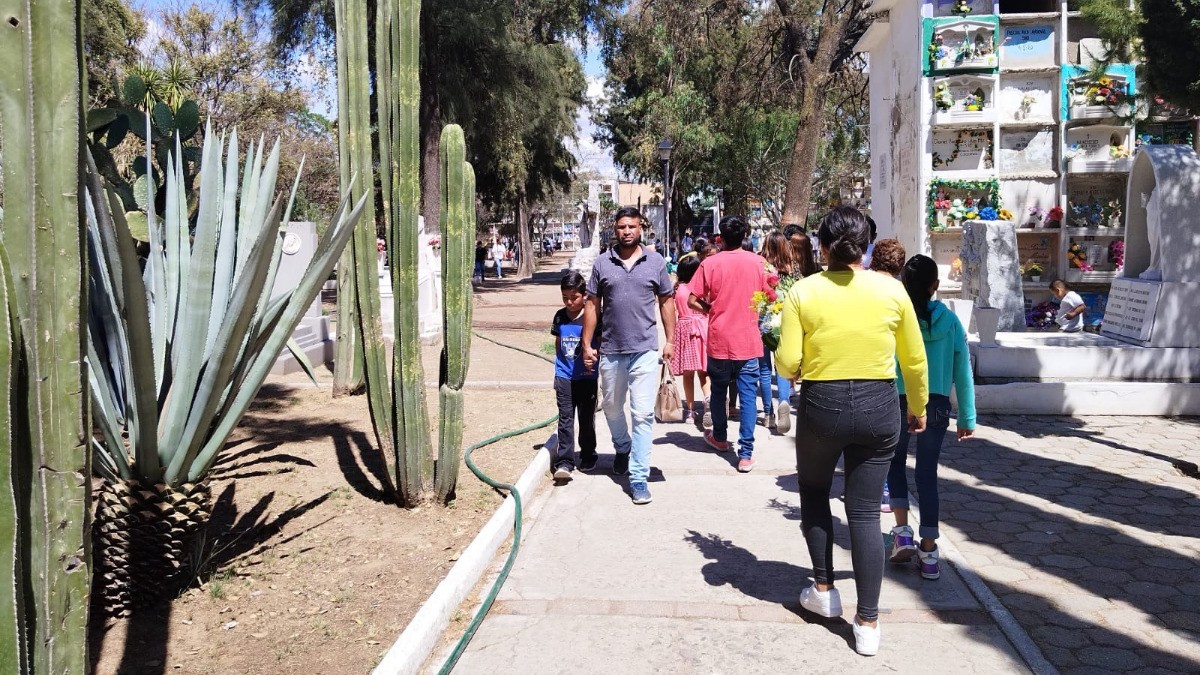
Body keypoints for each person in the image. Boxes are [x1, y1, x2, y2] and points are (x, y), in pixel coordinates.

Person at [775, 206, 929, 657]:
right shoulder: (892, 291)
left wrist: (799, 364)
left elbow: (786, 362)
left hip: (822, 406)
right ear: (865, 245)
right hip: (880, 405)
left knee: (815, 491)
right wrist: (917, 407)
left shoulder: (803, 292)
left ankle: (824, 590)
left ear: (822, 245)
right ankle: (868, 623)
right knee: (863, 513)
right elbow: (914, 360)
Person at [887, 254, 975, 581]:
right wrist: (967, 416)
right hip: (937, 404)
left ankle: (902, 533)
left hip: (898, 398)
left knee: (894, 463)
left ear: (902, 284)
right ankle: (929, 552)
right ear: (935, 286)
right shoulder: (950, 322)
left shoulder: (897, 318)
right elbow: (962, 372)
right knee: (927, 474)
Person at [581, 207, 676, 505]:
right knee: (610, 406)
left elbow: (666, 302)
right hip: (611, 349)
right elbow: (593, 305)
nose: (626, 231)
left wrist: (670, 340)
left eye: (632, 226)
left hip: (645, 350)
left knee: (643, 414)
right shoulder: (602, 263)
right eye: (621, 226)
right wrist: (586, 344)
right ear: (615, 229)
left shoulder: (656, 262)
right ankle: (622, 447)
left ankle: (638, 478)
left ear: (640, 228)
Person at [688, 215, 771, 473]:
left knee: (718, 391)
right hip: (748, 338)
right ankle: (745, 454)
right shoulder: (759, 263)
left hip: (719, 337)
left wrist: (712, 308)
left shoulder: (710, 263)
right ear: (745, 234)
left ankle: (721, 438)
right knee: (747, 397)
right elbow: (771, 297)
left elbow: (692, 300)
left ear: (720, 238)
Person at [546, 271, 600, 480]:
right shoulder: (559, 316)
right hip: (564, 377)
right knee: (565, 419)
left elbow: (600, 343)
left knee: (586, 419)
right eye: (565, 298)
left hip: (587, 377)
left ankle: (588, 454)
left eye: (574, 297)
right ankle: (565, 462)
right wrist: (561, 367)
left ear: (584, 295)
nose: (569, 302)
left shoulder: (593, 316)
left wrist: (593, 358)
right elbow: (558, 344)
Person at [757, 231, 794, 434]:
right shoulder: (791, 267)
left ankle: (769, 414)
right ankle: (783, 401)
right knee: (781, 366)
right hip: (784, 319)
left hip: (763, 318)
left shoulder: (760, 264)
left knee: (763, 368)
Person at [670, 254, 711, 428]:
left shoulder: (677, 289)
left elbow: (672, 312)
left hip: (684, 328)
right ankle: (708, 401)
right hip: (703, 328)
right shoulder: (703, 289)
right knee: (704, 370)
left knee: (688, 374)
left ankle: (690, 411)